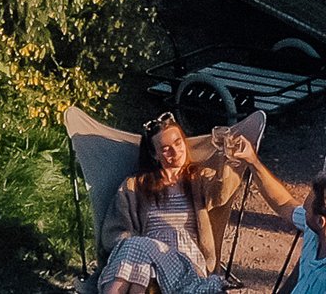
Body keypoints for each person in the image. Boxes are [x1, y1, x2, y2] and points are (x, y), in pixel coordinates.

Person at [98, 112, 238, 294]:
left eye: (178, 143)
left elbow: (220, 195)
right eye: (165, 149)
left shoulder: (199, 178)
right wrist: (132, 244)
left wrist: (223, 162)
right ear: (154, 154)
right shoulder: (134, 184)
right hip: (146, 259)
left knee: (138, 247)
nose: (175, 151)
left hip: (187, 261)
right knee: (137, 253)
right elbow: (114, 231)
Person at [230, 136, 326, 294]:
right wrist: (253, 161)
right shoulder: (321, 229)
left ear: (321, 221)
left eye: (306, 209)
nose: (302, 210)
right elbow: (284, 204)